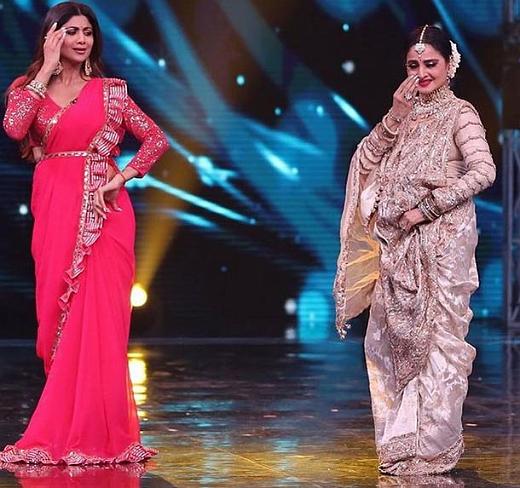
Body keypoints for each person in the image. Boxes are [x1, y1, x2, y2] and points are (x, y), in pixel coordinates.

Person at [1, 2, 169, 464]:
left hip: (105, 212)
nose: (80, 40)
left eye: (87, 33)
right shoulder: (27, 90)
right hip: (55, 206)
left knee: (100, 319)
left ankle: (102, 432)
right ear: (51, 36)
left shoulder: (111, 92)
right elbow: (14, 128)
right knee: (54, 312)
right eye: (70, 31)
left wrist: (122, 177)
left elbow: (156, 139)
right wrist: (45, 70)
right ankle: (68, 422)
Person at [333, 25, 495, 475]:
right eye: (413, 65)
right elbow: (365, 161)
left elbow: (484, 171)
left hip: (441, 248)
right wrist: (393, 115)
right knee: (388, 342)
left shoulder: (461, 114)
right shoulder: (402, 116)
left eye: (430, 64)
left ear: (450, 64)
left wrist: (426, 208)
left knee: (438, 344)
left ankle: (431, 448)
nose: (421, 73)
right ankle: (401, 443)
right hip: (397, 249)